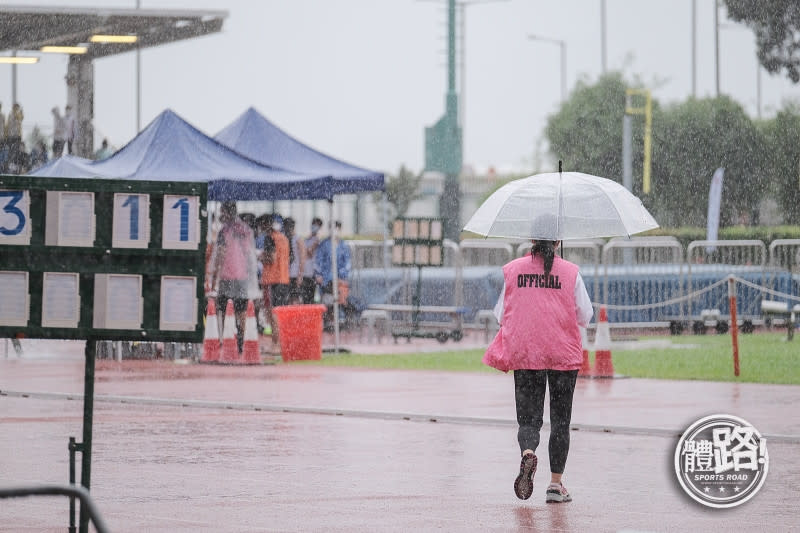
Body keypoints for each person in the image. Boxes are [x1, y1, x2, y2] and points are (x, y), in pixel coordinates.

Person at [483, 239, 593, 503]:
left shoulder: (512, 270)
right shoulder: (571, 272)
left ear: (532, 241)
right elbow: (585, 315)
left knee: (529, 420)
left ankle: (527, 453)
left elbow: (501, 314)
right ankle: (556, 485)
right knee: (560, 420)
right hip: (562, 352)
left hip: (526, 349)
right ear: (558, 242)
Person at [210, 202, 258, 352]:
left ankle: (227, 340)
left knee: (224, 309)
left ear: (227, 212)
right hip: (242, 275)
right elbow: (250, 254)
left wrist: (215, 276)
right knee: (241, 309)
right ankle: (241, 342)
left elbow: (221, 254)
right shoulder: (246, 230)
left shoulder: (224, 231)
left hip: (227, 275)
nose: (220, 215)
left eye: (222, 212)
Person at [314, 221, 352, 329]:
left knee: (341, 300)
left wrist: (342, 276)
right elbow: (318, 261)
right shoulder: (324, 245)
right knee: (327, 302)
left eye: (336, 228)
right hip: (326, 280)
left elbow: (347, 263)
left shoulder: (343, 245)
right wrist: (319, 275)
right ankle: (328, 322)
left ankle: (341, 321)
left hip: (339, 280)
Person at [260, 213, 290, 347]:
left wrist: (260, 257)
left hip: (272, 279)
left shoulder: (269, 238)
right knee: (281, 311)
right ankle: (282, 341)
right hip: (284, 278)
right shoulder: (283, 238)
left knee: (272, 311)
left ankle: (275, 342)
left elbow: (271, 258)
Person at [282, 217, 305, 304]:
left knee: (295, 297)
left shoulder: (298, 239)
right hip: (285, 274)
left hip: (295, 273)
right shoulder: (284, 238)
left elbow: (302, 258)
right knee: (286, 298)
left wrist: (300, 275)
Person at [300, 217, 323, 304]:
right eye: (313, 224)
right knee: (306, 296)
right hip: (306, 272)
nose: (314, 227)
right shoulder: (307, 239)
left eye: (317, 225)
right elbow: (304, 253)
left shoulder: (318, 240)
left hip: (314, 273)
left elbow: (309, 252)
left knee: (312, 296)